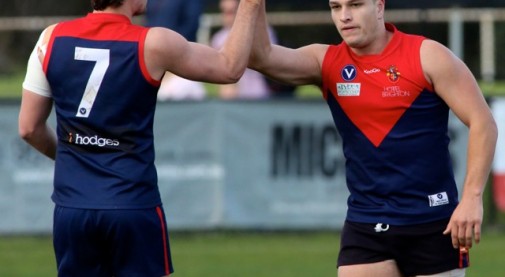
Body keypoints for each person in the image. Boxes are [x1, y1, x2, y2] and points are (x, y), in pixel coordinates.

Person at [248, 0, 497, 276]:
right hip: (366, 224)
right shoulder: (326, 61)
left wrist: (472, 197)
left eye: (354, 5)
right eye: (335, 7)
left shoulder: (427, 55)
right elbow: (261, 56)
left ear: (379, 7)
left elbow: (483, 122)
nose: (344, 16)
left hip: (433, 222)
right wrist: (253, 4)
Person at [18, 0, 262, 276]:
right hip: (132, 204)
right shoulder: (153, 42)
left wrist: (74, 158)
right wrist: (252, 4)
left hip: (72, 209)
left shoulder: (50, 38)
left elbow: (29, 128)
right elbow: (229, 67)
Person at [211, 0, 277, 100]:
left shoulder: (262, 32)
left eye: (231, 11)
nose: (227, 16)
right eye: (224, 11)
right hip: (233, 99)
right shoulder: (218, 38)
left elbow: (269, 61)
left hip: (260, 94)